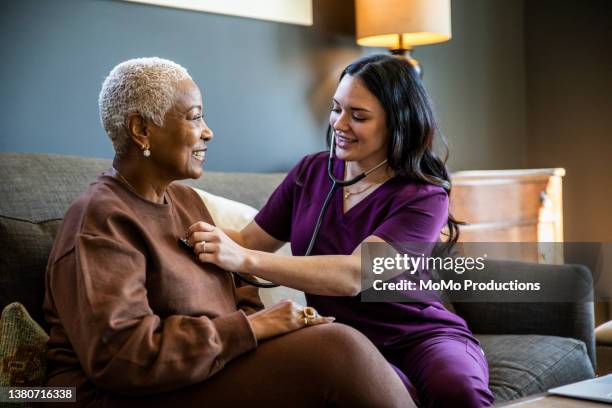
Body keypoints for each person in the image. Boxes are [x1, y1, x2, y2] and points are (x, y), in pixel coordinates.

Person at [43, 57, 415, 407]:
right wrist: (251, 328)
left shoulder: (186, 201)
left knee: (337, 346)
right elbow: (124, 357)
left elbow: (240, 293)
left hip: (212, 366)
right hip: (128, 393)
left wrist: (274, 326)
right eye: (194, 117)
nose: (207, 132)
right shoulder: (100, 218)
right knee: (339, 351)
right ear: (142, 130)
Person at [187, 54, 495, 408]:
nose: (339, 124)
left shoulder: (424, 197)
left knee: (459, 392)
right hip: (345, 340)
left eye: (358, 115)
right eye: (336, 109)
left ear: (398, 122)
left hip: (421, 336)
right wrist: (171, 228)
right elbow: (248, 239)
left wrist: (245, 258)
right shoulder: (311, 173)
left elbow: (357, 273)